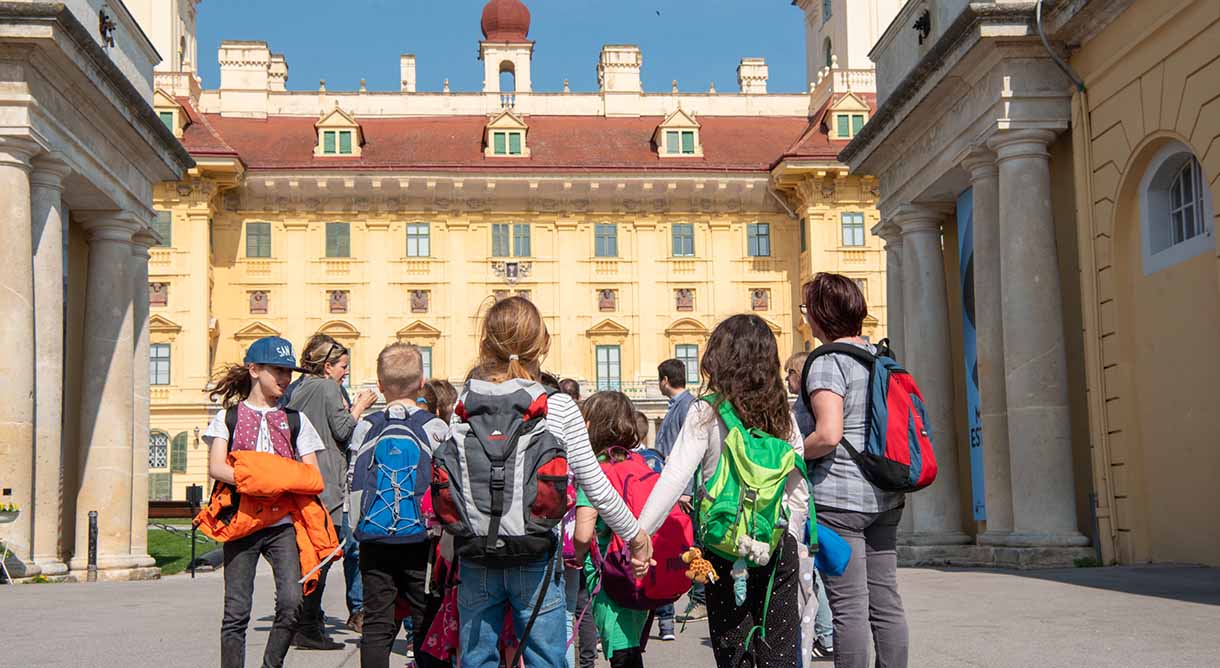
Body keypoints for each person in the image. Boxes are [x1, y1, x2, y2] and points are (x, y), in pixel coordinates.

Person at [447, 296, 653, 668]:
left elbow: (455, 482)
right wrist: (636, 537)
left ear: (484, 343)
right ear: (543, 344)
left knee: (477, 659)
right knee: (545, 658)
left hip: (476, 552)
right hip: (537, 553)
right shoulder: (556, 406)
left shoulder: (464, 403)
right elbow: (596, 485)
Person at [638, 315, 808, 668]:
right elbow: (797, 488)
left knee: (734, 652)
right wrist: (787, 535)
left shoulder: (707, 411)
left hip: (723, 547)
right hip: (775, 546)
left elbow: (673, 478)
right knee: (780, 653)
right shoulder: (784, 415)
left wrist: (639, 535)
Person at [201, 337, 329, 668]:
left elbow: (313, 476)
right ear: (254, 370)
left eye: (288, 372)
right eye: (278, 371)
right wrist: (270, 478)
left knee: (292, 601)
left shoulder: (296, 420)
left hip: (282, 525)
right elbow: (216, 467)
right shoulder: (227, 417)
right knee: (236, 611)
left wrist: (255, 473)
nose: (285, 379)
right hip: (241, 522)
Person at [801, 273, 908, 668]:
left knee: (848, 606)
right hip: (886, 492)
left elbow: (828, 434)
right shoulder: (882, 358)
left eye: (807, 308)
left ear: (820, 314)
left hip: (840, 501)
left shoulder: (828, 361)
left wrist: (793, 452)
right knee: (886, 601)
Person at [349, 343, 451, 668]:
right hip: (422, 541)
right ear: (422, 382)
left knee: (378, 625)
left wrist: (359, 531)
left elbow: (354, 482)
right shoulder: (435, 428)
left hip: (374, 538)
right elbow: (445, 485)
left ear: (380, 385)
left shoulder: (366, 427)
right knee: (424, 620)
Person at [287, 335, 377, 648]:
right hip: (327, 484)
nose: (346, 373)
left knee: (307, 555)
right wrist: (360, 407)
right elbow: (342, 430)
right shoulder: (327, 387)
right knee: (323, 557)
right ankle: (308, 626)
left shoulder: (297, 389)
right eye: (342, 366)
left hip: (302, 479)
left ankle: (304, 620)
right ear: (327, 367)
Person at [572, 391, 653, 668]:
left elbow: (583, 533)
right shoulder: (638, 463)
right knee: (631, 650)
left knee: (622, 656)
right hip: (642, 571)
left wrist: (576, 558)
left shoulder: (596, 470)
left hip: (611, 576)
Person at [785, 351, 835, 663]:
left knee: (816, 570)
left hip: (814, 495)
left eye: (789, 374)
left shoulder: (805, 404)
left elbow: (812, 442)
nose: (786, 380)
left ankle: (826, 635)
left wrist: (794, 454)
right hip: (818, 493)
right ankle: (826, 633)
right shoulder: (811, 401)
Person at [654, 358, 704, 622]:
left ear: (664, 380)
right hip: (676, 485)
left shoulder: (687, 406)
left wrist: (685, 490)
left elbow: (692, 450)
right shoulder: (680, 405)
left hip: (684, 489)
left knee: (695, 542)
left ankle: (700, 597)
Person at [631, 410, 674, 642]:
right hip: (660, 521)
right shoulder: (656, 457)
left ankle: (641, 622)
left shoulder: (629, 459)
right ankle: (667, 624)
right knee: (662, 571)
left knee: (643, 573)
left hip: (639, 520)